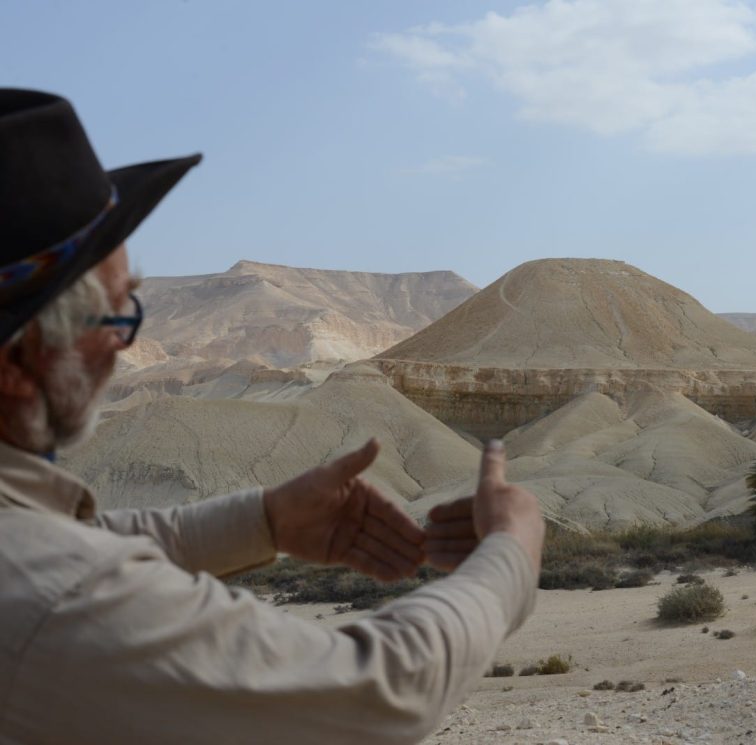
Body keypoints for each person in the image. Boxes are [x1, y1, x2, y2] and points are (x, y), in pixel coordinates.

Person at [0, 89, 545, 744]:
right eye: (114, 317)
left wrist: (265, 521)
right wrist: (511, 554)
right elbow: (372, 690)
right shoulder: (50, 596)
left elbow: (69, 539)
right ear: (13, 361)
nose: (125, 343)